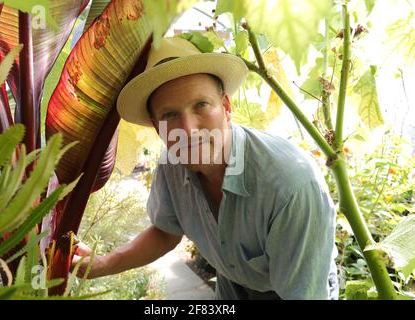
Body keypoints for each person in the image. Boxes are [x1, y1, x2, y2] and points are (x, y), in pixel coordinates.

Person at [72, 37, 339, 300]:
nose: (189, 130)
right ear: (157, 127)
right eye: (170, 115)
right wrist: (105, 264)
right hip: (233, 284)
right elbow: (166, 232)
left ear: (225, 107)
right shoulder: (172, 161)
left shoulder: (290, 186)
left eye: (201, 105)